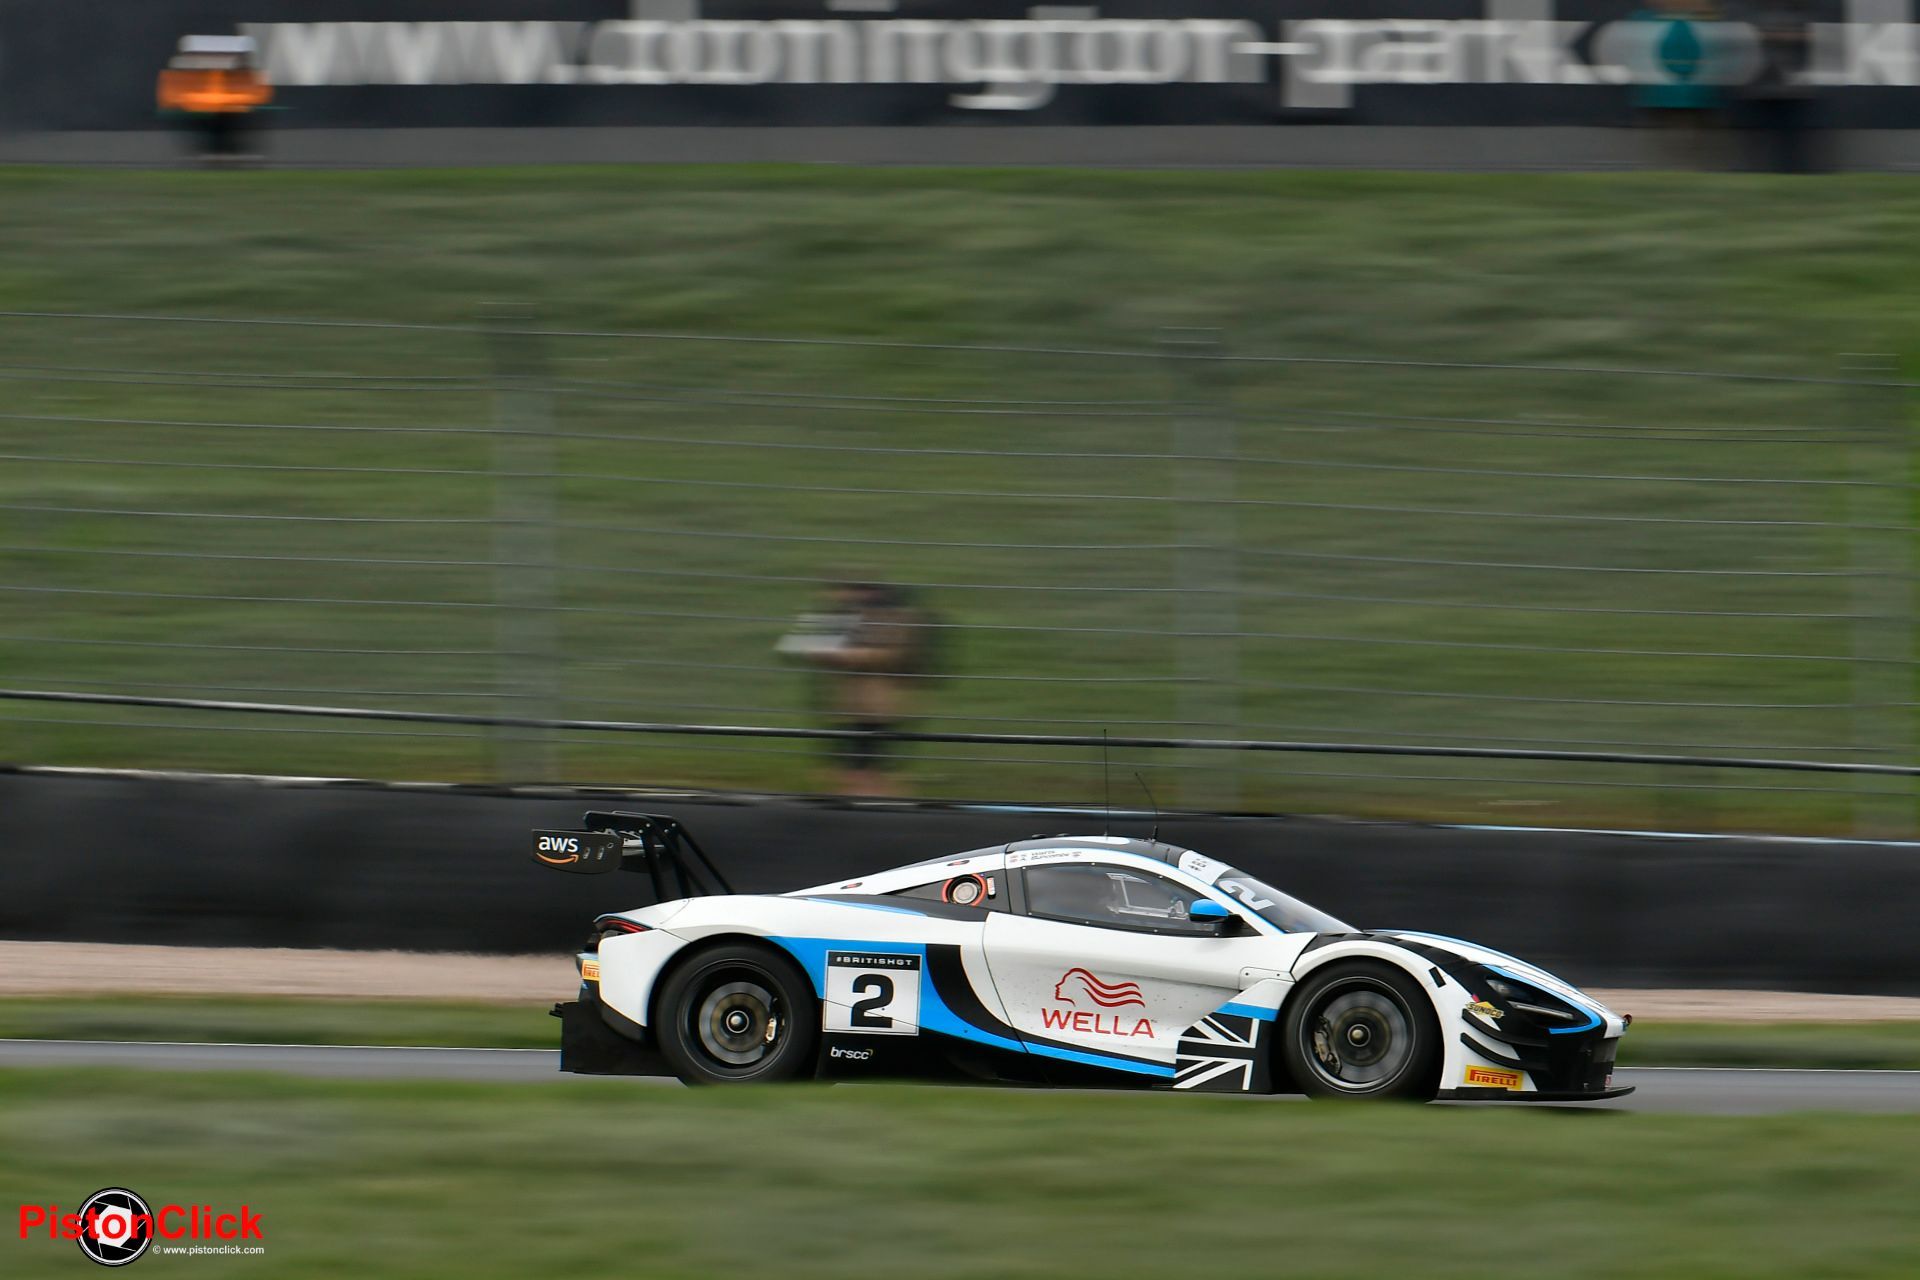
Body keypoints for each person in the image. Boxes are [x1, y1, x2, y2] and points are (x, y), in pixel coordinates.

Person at [776, 582, 936, 797]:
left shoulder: (894, 620)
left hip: (875, 708)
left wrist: (839, 655)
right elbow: (800, 646)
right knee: (852, 764)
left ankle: (871, 800)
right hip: (852, 706)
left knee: (865, 765)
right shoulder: (851, 617)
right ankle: (861, 797)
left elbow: (888, 656)